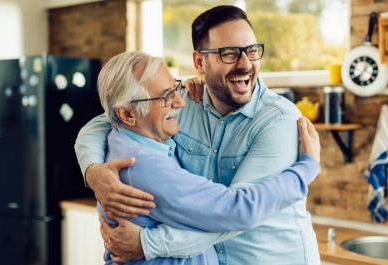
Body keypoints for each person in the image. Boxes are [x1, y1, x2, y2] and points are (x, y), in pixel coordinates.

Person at [75, 5, 321, 265]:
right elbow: (106, 121)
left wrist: (148, 243)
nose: (246, 64)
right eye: (229, 53)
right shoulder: (179, 103)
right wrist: (93, 172)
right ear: (199, 62)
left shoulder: (278, 120)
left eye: (252, 51)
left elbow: (239, 213)